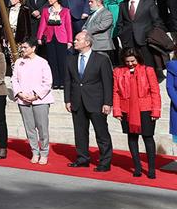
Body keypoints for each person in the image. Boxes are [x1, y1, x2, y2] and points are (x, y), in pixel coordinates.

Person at [64, 30, 114, 172]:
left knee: (101, 133)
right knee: (80, 132)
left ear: (87, 42)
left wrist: (107, 102)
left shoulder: (101, 59)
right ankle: (82, 159)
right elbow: (68, 81)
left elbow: (107, 82)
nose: (74, 42)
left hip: (96, 102)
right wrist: (67, 99)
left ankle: (105, 162)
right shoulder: (71, 59)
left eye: (77, 40)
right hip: (77, 101)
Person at [113, 50, 161, 178]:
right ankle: (137, 167)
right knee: (132, 137)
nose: (130, 64)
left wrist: (155, 111)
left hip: (146, 108)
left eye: (133, 61)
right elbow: (116, 92)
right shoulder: (118, 71)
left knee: (148, 137)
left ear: (138, 59)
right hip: (126, 109)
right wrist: (117, 111)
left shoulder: (148, 70)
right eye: (127, 61)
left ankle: (151, 169)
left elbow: (155, 92)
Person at [12, 37, 53, 165]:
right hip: (23, 99)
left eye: (25, 47)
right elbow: (14, 80)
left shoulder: (42, 62)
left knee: (42, 128)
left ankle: (44, 152)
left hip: (40, 100)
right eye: (22, 47)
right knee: (29, 128)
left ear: (33, 48)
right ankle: (35, 152)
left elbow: (48, 82)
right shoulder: (19, 62)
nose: (22, 49)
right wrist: (19, 93)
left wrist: (36, 95)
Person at [117, 0, 163, 73]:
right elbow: (120, 23)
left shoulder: (148, 3)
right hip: (128, 40)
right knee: (131, 66)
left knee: (147, 64)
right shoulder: (123, 4)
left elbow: (157, 21)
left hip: (145, 40)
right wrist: (122, 34)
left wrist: (151, 36)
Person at [37, 0, 72, 89]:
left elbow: (68, 26)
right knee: (52, 60)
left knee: (62, 60)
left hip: (62, 37)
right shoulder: (46, 10)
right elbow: (42, 24)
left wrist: (70, 40)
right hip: (50, 37)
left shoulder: (65, 11)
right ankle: (55, 81)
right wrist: (39, 37)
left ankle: (63, 81)